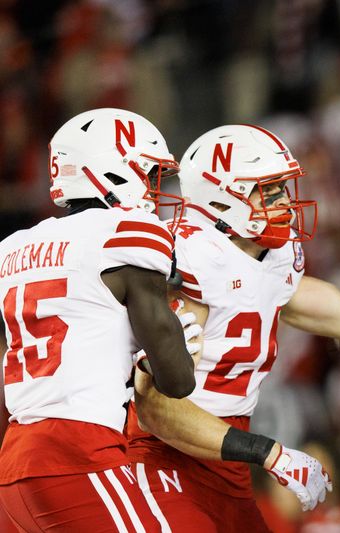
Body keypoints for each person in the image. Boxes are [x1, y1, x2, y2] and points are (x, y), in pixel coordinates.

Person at [124, 124, 340, 532]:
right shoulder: (192, 263)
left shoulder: (271, 260)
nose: (284, 201)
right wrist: (270, 453)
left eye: (283, 187)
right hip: (163, 461)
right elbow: (156, 408)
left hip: (225, 460)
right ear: (220, 199)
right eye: (268, 189)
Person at [0, 108, 198, 532]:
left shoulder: (15, 245)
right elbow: (178, 381)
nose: (154, 188)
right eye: (149, 173)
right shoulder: (123, 232)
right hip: (79, 454)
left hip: (14, 462)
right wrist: (170, 344)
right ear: (112, 169)